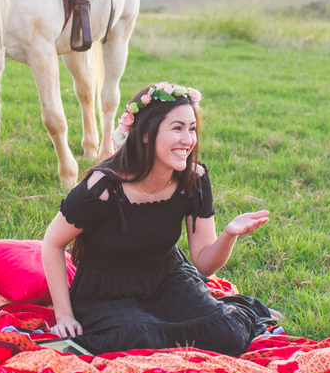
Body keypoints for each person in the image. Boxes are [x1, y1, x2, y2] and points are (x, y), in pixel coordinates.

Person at [41, 82, 275, 356]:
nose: (187, 140)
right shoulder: (103, 187)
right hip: (108, 290)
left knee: (227, 332)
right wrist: (64, 315)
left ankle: (227, 310)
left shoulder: (193, 180)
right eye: (176, 128)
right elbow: (52, 243)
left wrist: (228, 235)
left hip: (168, 278)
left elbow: (204, 264)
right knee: (136, 339)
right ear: (145, 135)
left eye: (192, 128)